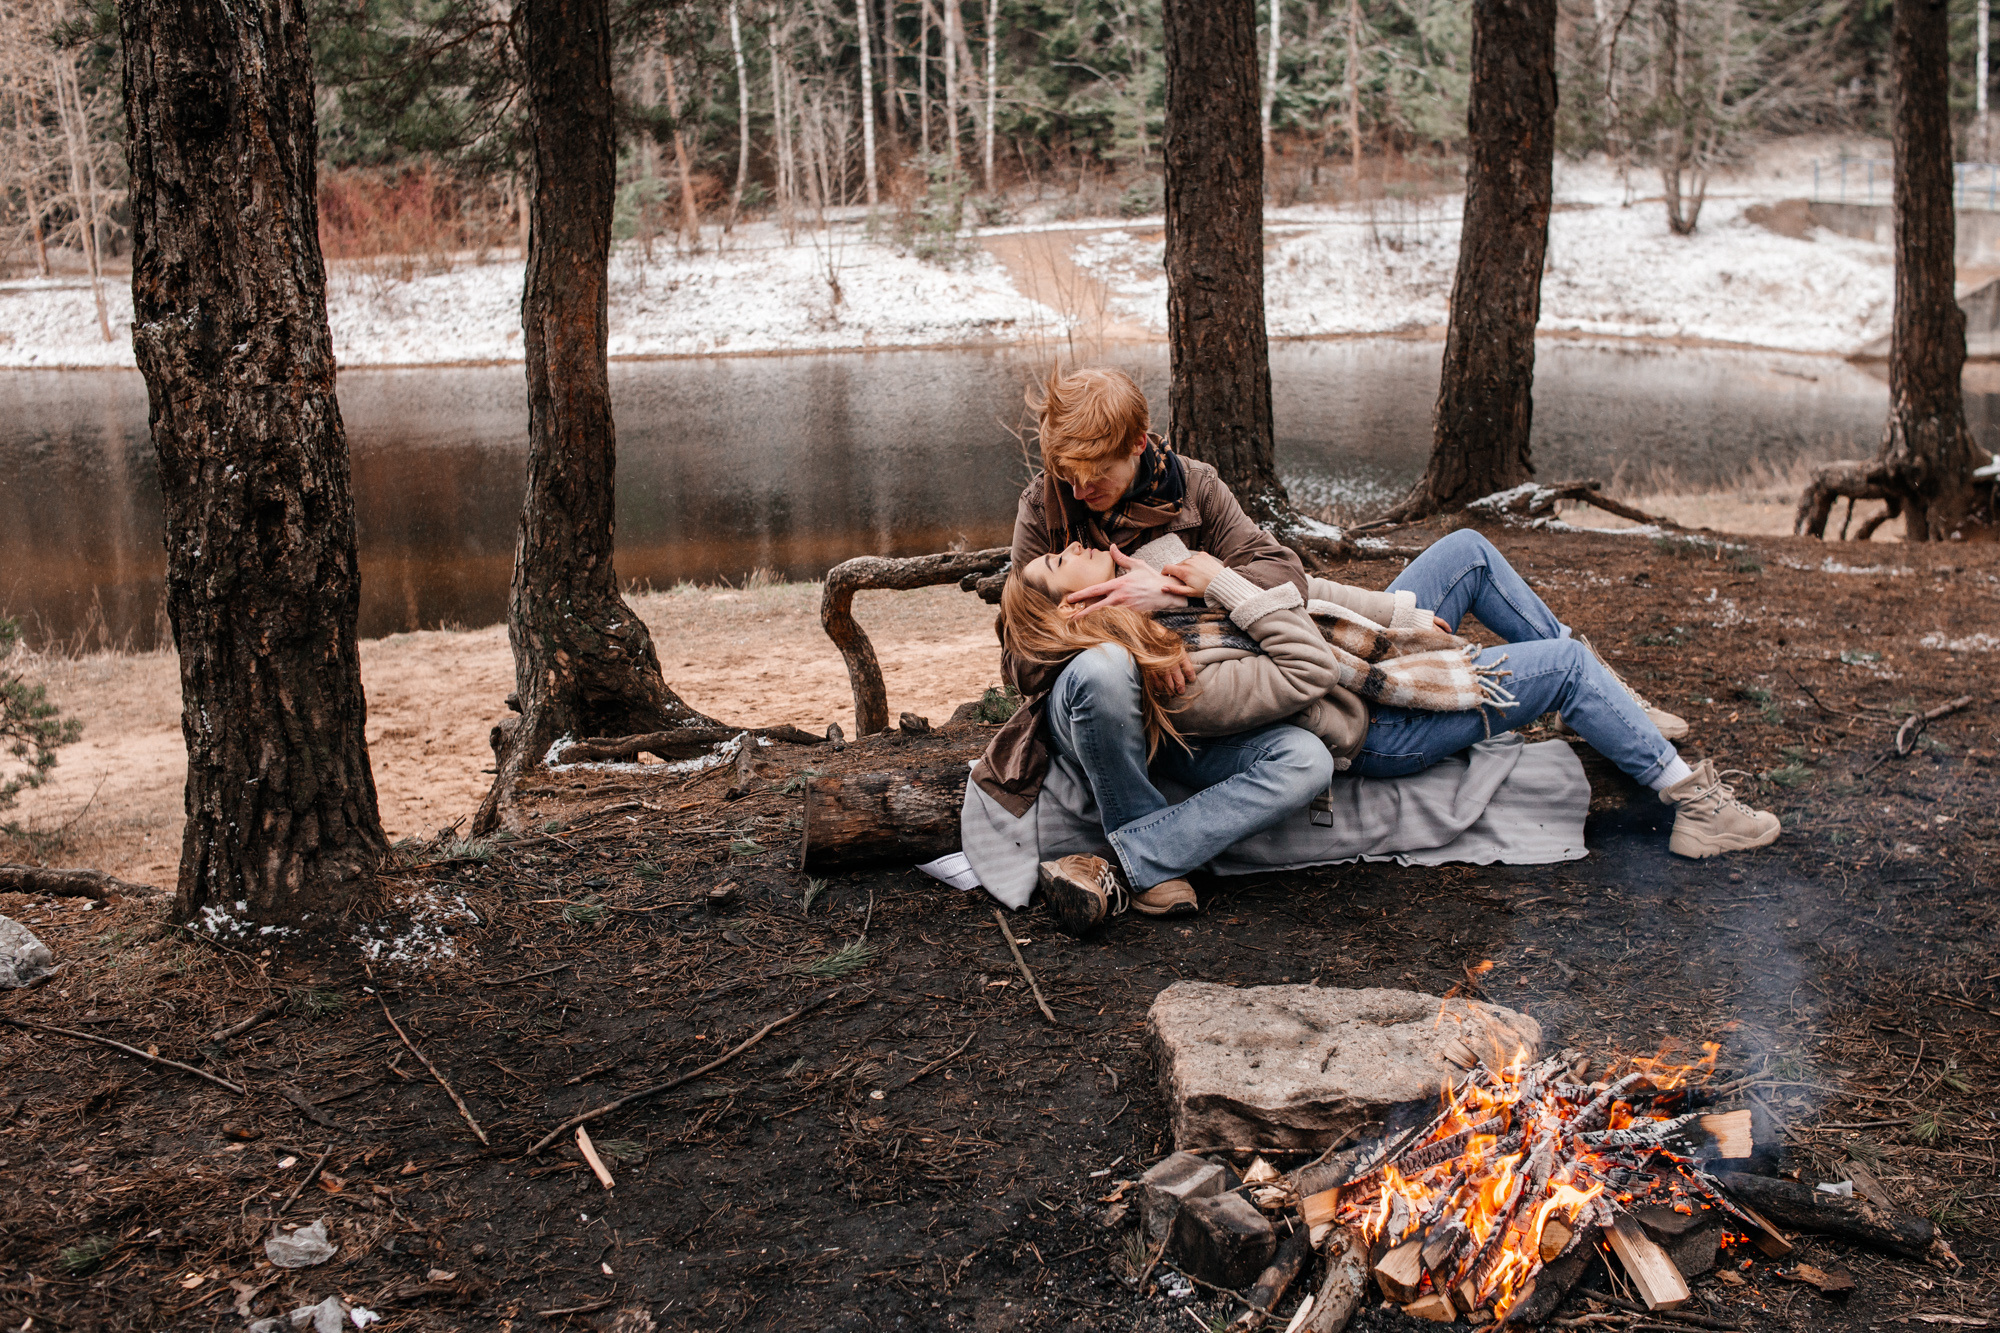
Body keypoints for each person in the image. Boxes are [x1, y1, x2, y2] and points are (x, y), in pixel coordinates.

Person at [1002, 525, 1784, 883]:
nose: (1070, 545)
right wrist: (1219, 582)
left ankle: (1619, 706)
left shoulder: (1157, 575)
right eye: (1057, 561)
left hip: (1364, 653)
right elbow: (1305, 664)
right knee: (1566, 666)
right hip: (1377, 725)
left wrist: (1398, 616)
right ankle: (1694, 804)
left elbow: (1296, 595)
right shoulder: (1177, 676)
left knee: (1469, 550)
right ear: (1077, 611)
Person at [972, 365, 1333, 935]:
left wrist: (1168, 593)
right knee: (1106, 670)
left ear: (1138, 443)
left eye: (1095, 475)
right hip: (1095, 716)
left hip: (1191, 716)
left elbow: (1286, 576)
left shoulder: (1198, 487)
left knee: (1308, 759)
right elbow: (1021, 654)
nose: (1078, 492)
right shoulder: (1044, 504)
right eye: (1067, 474)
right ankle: (1153, 861)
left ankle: (1132, 861)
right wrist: (1128, 636)